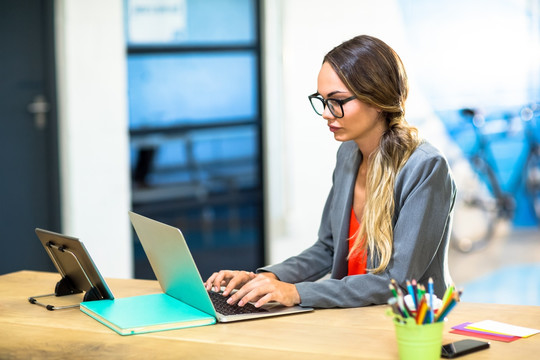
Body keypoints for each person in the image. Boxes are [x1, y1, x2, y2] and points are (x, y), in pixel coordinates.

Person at [205, 34, 456, 308]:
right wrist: (263, 279)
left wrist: (297, 293)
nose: (326, 113)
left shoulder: (425, 167)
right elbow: (328, 249)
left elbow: (396, 281)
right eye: (322, 100)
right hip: (352, 317)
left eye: (337, 101)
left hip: (408, 324)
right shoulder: (348, 154)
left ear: (377, 98)